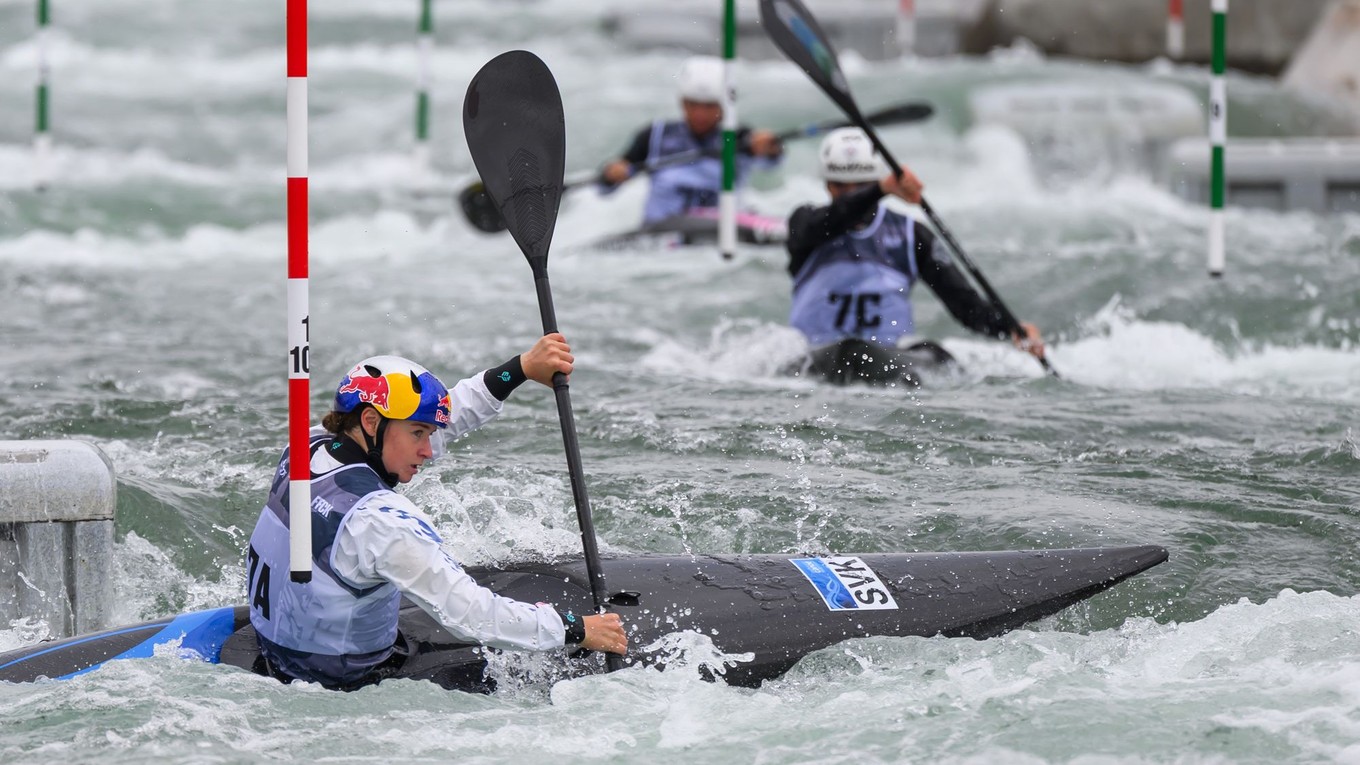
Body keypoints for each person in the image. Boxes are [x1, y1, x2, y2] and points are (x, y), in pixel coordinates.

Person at [244, 335, 627, 690]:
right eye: (418, 434)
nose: (428, 451)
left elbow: (446, 415)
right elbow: (470, 615)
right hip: (343, 681)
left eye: (429, 434)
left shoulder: (305, 446)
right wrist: (577, 628)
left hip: (276, 648)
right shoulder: (380, 522)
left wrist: (521, 368)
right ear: (371, 422)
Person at [785, 127, 1046, 385]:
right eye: (841, 185)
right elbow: (837, 215)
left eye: (862, 184)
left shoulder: (911, 235)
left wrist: (1009, 328)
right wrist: (878, 189)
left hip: (887, 356)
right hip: (818, 355)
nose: (852, 193)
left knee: (936, 356)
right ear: (827, 185)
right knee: (850, 352)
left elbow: (964, 305)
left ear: (875, 180)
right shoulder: (805, 224)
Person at [599, 55, 784, 231]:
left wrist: (771, 148)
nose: (700, 114)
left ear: (722, 105)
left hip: (721, 231)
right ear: (682, 102)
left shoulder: (738, 136)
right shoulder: (655, 135)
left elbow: (771, 163)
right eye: (693, 104)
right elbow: (605, 188)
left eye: (709, 106)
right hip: (661, 232)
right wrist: (612, 173)